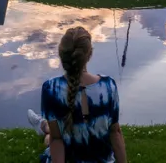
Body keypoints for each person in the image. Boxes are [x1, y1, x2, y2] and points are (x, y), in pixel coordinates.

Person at [27, 27, 127, 163]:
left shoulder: (51, 88)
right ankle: (43, 126)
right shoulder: (109, 85)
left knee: (52, 137)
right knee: (58, 134)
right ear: (89, 54)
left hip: (66, 148)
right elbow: (115, 132)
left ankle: (43, 125)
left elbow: (57, 140)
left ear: (61, 54)